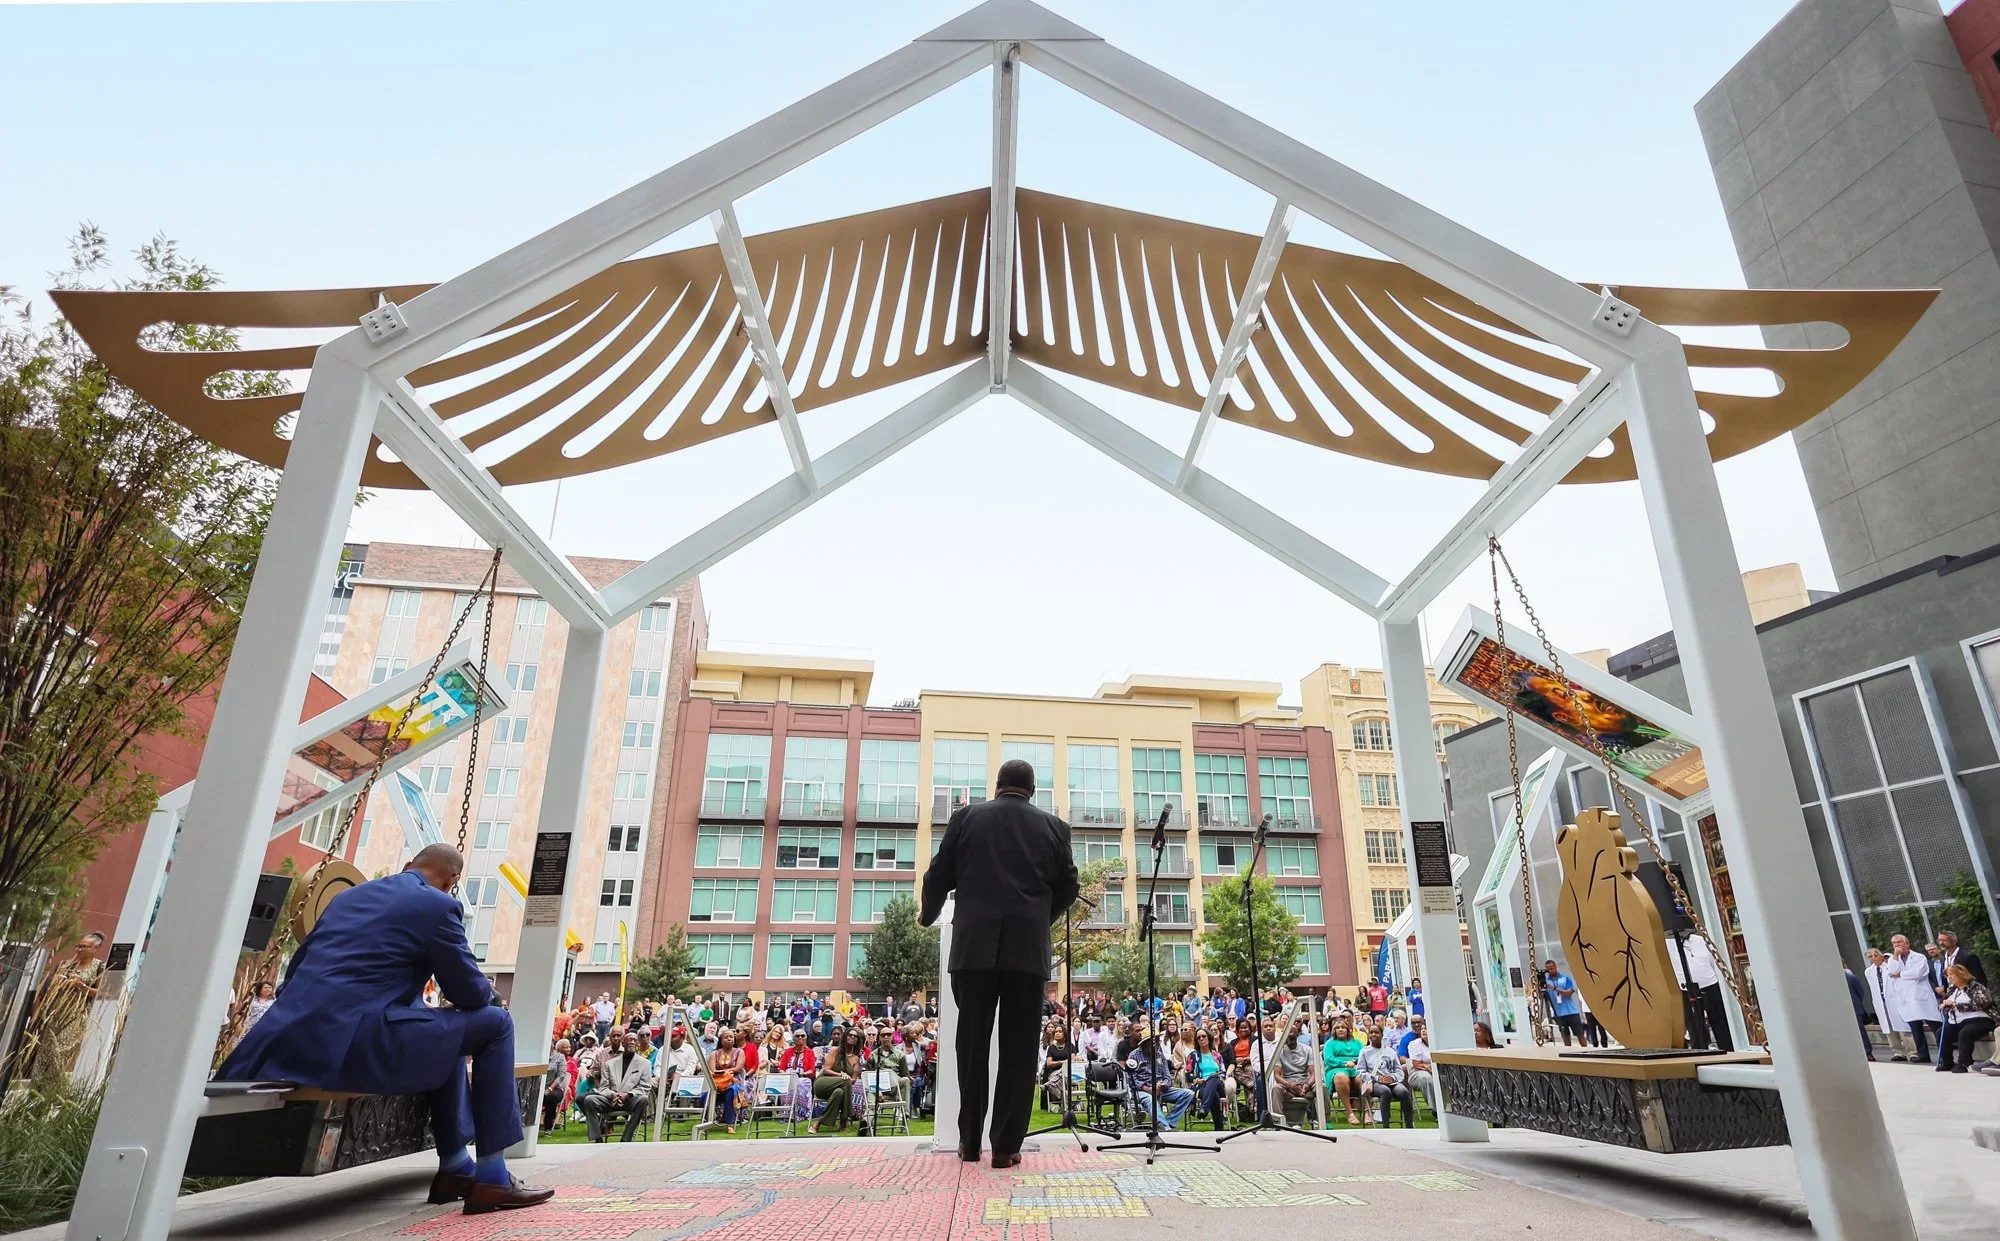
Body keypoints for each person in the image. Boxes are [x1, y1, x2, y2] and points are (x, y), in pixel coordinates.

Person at [215, 845, 551, 1215]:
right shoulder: (439, 907)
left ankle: (456, 1168)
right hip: (355, 1044)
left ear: (407, 865)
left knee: (446, 1033)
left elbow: (294, 973)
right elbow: (468, 991)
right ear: (451, 882)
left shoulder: (347, 899)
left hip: (283, 1042)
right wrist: (491, 996)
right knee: (495, 1024)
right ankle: (492, 1178)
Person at [920, 757, 1079, 1168]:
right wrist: (1039, 918)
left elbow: (938, 874)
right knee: (1019, 1049)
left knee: (971, 1045)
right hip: (1027, 953)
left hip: (973, 949)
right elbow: (1068, 887)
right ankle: (1007, 1147)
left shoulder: (967, 819)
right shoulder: (1054, 828)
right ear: (1032, 790)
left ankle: (969, 1143)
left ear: (997, 785)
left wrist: (928, 913)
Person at [581, 1030, 653, 1142]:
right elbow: (603, 1087)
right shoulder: (610, 1064)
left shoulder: (645, 1064)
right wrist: (613, 1094)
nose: (632, 1042)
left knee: (643, 1100)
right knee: (589, 1099)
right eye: (629, 1039)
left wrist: (627, 1095)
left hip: (630, 1100)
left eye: (635, 1040)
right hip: (611, 1099)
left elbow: (645, 1087)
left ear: (638, 1043)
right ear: (623, 1043)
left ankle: (626, 1138)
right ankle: (597, 1138)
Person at [1666, 932, 1732, 1053]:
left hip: (1710, 985)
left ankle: (1728, 1051)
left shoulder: (1702, 941)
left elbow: (1714, 962)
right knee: (1695, 1026)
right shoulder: (1668, 944)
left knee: (1720, 1023)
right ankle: (1699, 1053)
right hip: (1685, 989)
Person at [1886, 935, 1944, 1063]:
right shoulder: (1893, 959)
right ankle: (1923, 1055)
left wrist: (1900, 975)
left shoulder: (1919, 957)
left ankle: (1944, 1053)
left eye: (1899, 942)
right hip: (1906, 999)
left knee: (1935, 1025)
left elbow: (1919, 973)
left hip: (1921, 998)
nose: (1897, 945)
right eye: (1894, 943)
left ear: (1907, 943)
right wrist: (1895, 957)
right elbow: (1891, 971)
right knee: (1915, 1029)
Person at [1936, 963, 1999, 1074]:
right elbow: (1942, 1003)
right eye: (1948, 976)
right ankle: (1947, 1062)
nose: (1949, 978)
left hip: (1980, 1019)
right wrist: (1945, 1005)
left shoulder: (1975, 986)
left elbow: (1984, 1003)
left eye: (1952, 975)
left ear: (1961, 974)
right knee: (1941, 1032)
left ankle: (1964, 1063)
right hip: (1958, 1021)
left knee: (1965, 1032)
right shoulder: (1953, 990)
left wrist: (1956, 1005)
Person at [1126, 1031, 1196, 1128]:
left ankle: (1169, 1122)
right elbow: (1132, 1080)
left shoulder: (1160, 1055)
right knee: (1151, 1100)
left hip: (1161, 1089)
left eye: (1158, 1041)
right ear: (1145, 1043)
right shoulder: (1133, 1055)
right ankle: (1165, 1127)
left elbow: (1167, 1076)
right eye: (1154, 1042)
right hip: (1142, 1091)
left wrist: (1164, 1085)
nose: (1158, 1044)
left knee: (1189, 1094)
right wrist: (1148, 1089)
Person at [1863, 948, 1916, 1061]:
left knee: (1903, 1028)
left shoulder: (1889, 967)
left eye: (1875, 955)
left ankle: (1912, 1052)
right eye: (1870, 956)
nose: (1873, 958)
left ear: (1882, 956)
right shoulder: (1869, 971)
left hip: (1895, 1001)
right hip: (1881, 1002)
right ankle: (1898, 1052)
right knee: (1889, 1028)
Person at [1356, 1028, 1415, 1127]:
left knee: (1404, 1092)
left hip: (1392, 1082)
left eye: (1376, 1032)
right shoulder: (1365, 1051)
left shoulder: (1390, 1051)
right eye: (1371, 1032)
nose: (1374, 1035)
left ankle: (1409, 1125)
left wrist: (1392, 1077)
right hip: (1375, 1083)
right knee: (1385, 1091)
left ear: (1382, 1035)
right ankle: (1385, 1125)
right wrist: (1377, 1078)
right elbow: (1360, 1071)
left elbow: (1399, 1071)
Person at [1320, 1014, 1364, 1125]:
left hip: (1356, 1067)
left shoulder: (1357, 1043)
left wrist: (1354, 1062)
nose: (1340, 1029)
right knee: (1341, 1077)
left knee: (1363, 1078)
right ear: (1333, 1030)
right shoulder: (1330, 1043)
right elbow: (1329, 1059)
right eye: (1337, 1028)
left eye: (1343, 1027)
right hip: (1336, 1069)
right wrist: (1345, 1064)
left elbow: (1364, 1056)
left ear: (1348, 1029)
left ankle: (1367, 1111)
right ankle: (1349, 1112)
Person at [1540, 960, 1587, 1046]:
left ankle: (1585, 1050)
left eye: (1552, 968)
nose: (1550, 971)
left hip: (1571, 1012)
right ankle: (1568, 1052)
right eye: (1548, 969)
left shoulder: (1565, 979)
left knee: (1580, 1034)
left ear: (1555, 967)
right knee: (1565, 1035)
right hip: (1559, 1013)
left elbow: (1569, 993)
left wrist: (1554, 988)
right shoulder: (1547, 982)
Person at [1403, 1016, 1440, 1118]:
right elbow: (1416, 1064)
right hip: (1417, 1073)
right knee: (1426, 1078)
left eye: (1426, 1029)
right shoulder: (1414, 1044)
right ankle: (1437, 1110)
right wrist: (1430, 1067)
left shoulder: (1438, 1043)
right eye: (1422, 1029)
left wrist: (1432, 1067)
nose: (1423, 1031)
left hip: (1436, 1070)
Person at [541, 1038, 572, 1132]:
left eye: (550, 1042)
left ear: (553, 1044)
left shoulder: (559, 1057)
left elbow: (561, 1076)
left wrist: (550, 1088)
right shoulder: (540, 1055)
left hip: (555, 1088)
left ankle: (548, 1127)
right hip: (538, 1088)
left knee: (551, 1097)